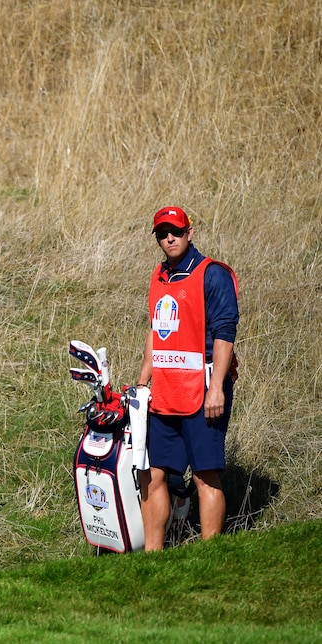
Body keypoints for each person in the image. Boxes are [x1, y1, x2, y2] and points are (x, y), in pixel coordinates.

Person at [136, 206, 239, 551]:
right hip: (165, 392)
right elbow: (156, 332)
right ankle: (153, 556)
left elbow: (225, 334)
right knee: (152, 473)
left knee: (204, 474)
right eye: (163, 233)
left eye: (176, 231)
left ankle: (209, 554)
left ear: (189, 233)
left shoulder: (213, 275)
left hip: (204, 389)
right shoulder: (158, 276)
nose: (170, 238)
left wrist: (216, 390)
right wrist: (141, 384)